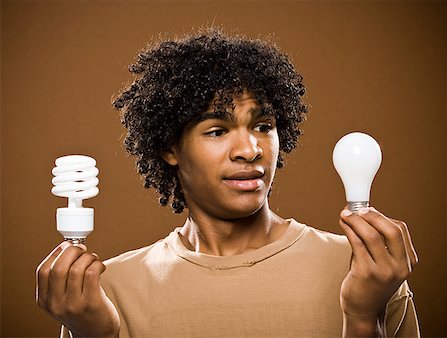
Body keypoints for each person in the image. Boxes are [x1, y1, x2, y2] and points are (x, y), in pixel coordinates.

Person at [36, 28, 420, 337]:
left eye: (263, 126)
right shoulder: (107, 292)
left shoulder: (368, 272)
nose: (250, 150)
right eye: (217, 131)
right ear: (170, 147)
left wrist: (364, 319)